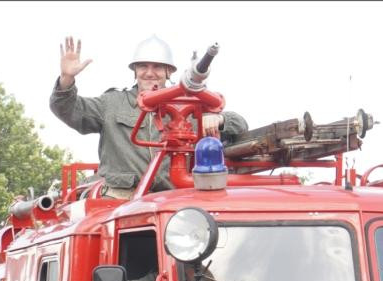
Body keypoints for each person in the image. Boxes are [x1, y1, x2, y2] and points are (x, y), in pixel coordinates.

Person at [50, 35, 249, 199]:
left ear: (169, 71)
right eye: (143, 66)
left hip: (173, 201)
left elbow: (240, 123)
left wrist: (219, 120)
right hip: (121, 199)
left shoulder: (188, 106)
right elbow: (68, 109)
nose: (149, 73)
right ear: (134, 70)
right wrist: (67, 79)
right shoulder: (112, 103)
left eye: (157, 67)